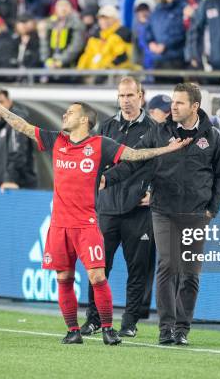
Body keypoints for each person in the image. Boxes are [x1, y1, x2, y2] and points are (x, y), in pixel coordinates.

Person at [0, 87, 192, 345]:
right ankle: (72, 330)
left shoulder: (100, 144)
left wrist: (165, 150)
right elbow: (21, 125)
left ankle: (107, 328)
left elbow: (134, 156)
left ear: (84, 120)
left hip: (86, 223)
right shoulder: (56, 140)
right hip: (58, 225)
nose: (65, 115)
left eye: (70, 112)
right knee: (63, 278)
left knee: (98, 276)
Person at [102, 83, 220, 346]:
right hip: (163, 211)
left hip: (196, 214)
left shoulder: (213, 137)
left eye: (180, 102)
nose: (174, 106)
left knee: (190, 274)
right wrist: (106, 179)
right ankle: (166, 329)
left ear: (195, 106)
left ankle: (182, 329)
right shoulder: (158, 132)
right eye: (173, 101)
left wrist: (212, 209)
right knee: (168, 267)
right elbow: (133, 160)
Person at [80, 77, 157, 338]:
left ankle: (130, 322)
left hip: (138, 210)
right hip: (108, 208)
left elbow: (161, 166)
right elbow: (97, 160)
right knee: (98, 267)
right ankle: (93, 319)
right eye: (122, 95)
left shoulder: (154, 129)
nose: (125, 100)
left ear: (141, 96)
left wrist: (154, 192)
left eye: (130, 95)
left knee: (138, 270)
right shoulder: (107, 126)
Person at [146, 0, 187, 73]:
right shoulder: (157, 9)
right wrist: (151, 42)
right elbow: (149, 29)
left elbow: (181, 31)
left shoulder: (183, 7)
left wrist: (165, 44)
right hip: (158, 59)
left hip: (176, 58)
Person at [77, 5, 134, 71]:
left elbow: (123, 57)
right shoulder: (95, 37)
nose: (103, 21)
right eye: (101, 18)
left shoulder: (122, 34)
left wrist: (107, 69)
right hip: (93, 74)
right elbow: (86, 56)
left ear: (115, 19)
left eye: (107, 18)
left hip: (113, 75)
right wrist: (79, 72)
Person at [39, 0, 86, 69]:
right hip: (50, 64)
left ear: (71, 8)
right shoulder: (49, 24)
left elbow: (76, 46)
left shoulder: (77, 24)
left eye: (66, 5)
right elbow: (44, 43)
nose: (63, 8)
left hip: (70, 65)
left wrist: (61, 61)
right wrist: (47, 60)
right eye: (60, 5)